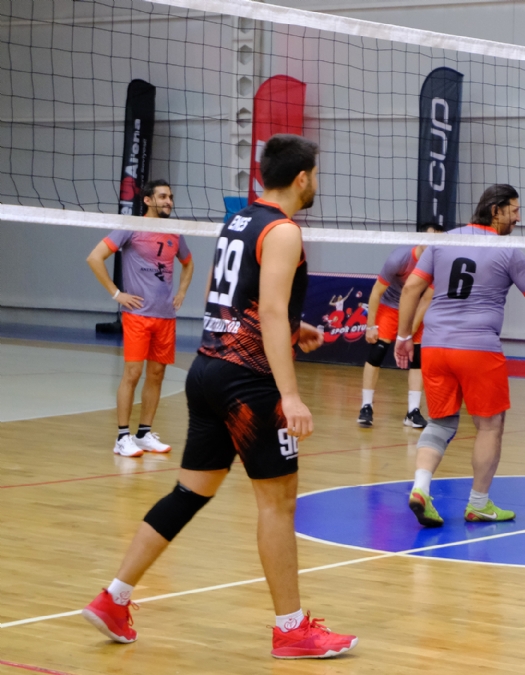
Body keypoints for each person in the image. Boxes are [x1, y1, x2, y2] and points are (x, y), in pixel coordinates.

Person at [82, 134, 357, 659]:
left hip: (208, 370)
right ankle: (291, 630)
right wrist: (290, 394)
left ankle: (113, 597)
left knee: (190, 492)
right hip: (249, 384)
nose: (316, 183)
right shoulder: (283, 230)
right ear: (302, 177)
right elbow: (269, 310)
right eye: (316, 174)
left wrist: (291, 330)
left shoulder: (238, 221)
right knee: (278, 503)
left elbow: (228, 294)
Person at [395, 184, 525, 527]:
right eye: (514, 210)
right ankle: (479, 504)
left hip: (435, 347)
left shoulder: (444, 240)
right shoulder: (507, 251)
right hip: (477, 349)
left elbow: (411, 287)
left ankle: (421, 488)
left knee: (440, 422)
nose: (518, 218)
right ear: (495, 210)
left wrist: (404, 336)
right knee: (490, 426)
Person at [86, 179, 194, 457]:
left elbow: (188, 263)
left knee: (156, 375)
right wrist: (116, 293)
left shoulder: (174, 232)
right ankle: (123, 437)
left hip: (165, 317)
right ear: (147, 200)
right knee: (132, 374)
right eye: (163, 196)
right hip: (137, 315)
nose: (169, 201)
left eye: (170, 197)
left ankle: (144, 434)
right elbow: (95, 258)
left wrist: (182, 291)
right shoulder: (131, 227)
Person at [359, 224, 439, 430]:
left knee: (418, 358)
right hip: (390, 306)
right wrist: (370, 326)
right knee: (377, 352)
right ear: (420, 239)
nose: (433, 245)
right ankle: (366, 406)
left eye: (438, 241)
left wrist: (408, 333)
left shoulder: (439, 264)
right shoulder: (399, 258)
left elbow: (425, 301)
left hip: (415, 310)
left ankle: (413, 411)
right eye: (430, 239)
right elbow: (376, 292)